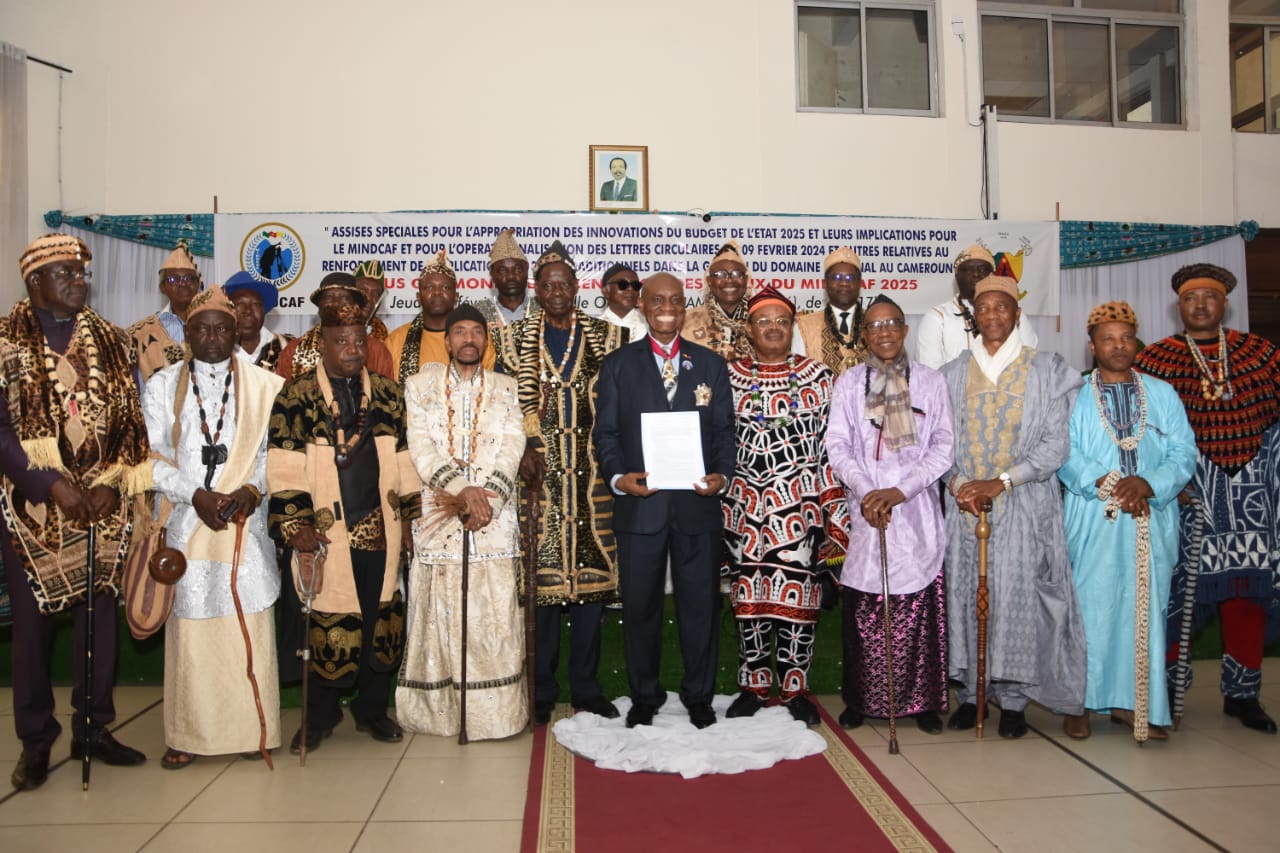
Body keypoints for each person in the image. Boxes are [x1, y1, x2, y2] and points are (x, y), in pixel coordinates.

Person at [2, 235, 151, 790]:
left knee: (100, 621)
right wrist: (47, 482)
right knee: (33, 628)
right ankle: (36, 741)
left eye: (82, 272)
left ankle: (95, 728)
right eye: (64, 272)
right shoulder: (4, 340)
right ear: (34, 281)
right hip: (34, 508)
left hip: (101, 502)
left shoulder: (113, 340)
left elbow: (132, 421)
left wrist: (112, 481)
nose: (78, 280)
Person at [267, 301, 421, 753]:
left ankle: (372, 709)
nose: (352, 349)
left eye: (359, 340)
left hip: (381, 526)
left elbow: (406, 462)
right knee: (322, 620)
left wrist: (409, 523)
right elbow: (284, 467)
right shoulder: (296, 397)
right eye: (342, 341)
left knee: (380, 619)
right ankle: (319, 716)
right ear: (323, 342)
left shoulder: (389, 395)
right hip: (326, 531)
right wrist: (295, 525)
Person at [142, 285, 284, 767]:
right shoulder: (163, 385)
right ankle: (187, 735)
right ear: (188, 334)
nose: (212, 337)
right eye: (201, 328)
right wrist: (195, 495)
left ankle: (249, 729)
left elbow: (273, 457)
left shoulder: (266, 386)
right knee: (192, 633)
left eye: (222, 328)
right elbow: (153, 460)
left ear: (236, 330)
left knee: (247, 620)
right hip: (187, 523)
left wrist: (250, 491)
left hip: (244, 522)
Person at [1135, 264, 1280, 734]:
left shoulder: (1260, 354)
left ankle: (1242, 695)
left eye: (1209, 296)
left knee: (1246, 595)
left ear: (1225, 303)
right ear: (1178, 305)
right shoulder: (1154, 360)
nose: (1200, 304)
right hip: (1184, 495)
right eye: (1191, 297)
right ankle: (1170, 695)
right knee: (1177, 595)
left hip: (1251, 497)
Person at [939, 274, 1086, 738]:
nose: (993, 316)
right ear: (974, 316)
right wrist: (960, 482)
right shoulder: (950, 374)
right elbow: (938, 445)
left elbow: (1054, 446)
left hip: (1022, 503)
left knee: (1016, 599)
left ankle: (1015, 701)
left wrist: (1001, 481)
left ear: (1017, 314)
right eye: (984, 309)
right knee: (966, 595)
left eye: (1002, 307)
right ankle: (970, 693)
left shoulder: (1050, 370)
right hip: (966, 506)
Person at [594, 272, 736, 730]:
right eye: (657, 300)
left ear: (684, 304)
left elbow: (724, 432)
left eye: (675, 299)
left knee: (700, 608)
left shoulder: (710, 365)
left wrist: (723, 475)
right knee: (640, 609)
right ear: (643, 306)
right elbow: (607, 434)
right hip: (641, 507)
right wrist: (619, 478)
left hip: (697, 506)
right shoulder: (618, 365)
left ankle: (699, 697)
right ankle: (645, 696)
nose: (667, 307)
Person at [494, 241, 626, 725]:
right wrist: (520, 450)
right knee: (542, 593)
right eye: (546, 284)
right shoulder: (510, 341)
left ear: (576, 288)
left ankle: (588, 688)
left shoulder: (607, 337)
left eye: (563, 284)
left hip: (592, 485)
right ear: (537, 289)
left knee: (591, 594)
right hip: (540, 488)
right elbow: (502, 410)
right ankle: (542, 687)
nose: (555, 292)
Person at [1059, 301, 1195, 741]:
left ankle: (1132, 704)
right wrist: (1111, 483)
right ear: (1092, 345)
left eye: (1125, 338)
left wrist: (1150, 484)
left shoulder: (1162, 393)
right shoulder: (1074, 393)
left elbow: (1183, 453)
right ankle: (1077, 703)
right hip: (1094, 514)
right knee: (1088, 608)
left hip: (1150, 515)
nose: (1118, 346)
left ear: (1136, 342)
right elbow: (1064, 454)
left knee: (1143, 610)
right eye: (1108, 339)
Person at [397, 304, 527, 739]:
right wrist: (461, 491)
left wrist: (485, 494)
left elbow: (514, 442)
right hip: (439, 512)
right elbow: (421, 445)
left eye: (476, 332)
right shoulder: (419, 386)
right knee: (441, 610)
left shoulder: (507, 388)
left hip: (494, 511)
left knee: (494, 610)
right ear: (448, 340)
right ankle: (441, 714)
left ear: (485, 340)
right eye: (460, 332)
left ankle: (496, 717)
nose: (469, 339)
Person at [827, 295, 953, 734]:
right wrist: (868, 491)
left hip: (915, 508)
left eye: (892, 324)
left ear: (904, 331)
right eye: (875, 326)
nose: (884, 332)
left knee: (919, 608)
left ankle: (922, 703)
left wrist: (899, 491)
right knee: (865, 608)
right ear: (864, 334)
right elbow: (838, 446)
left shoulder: (931, 382)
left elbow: (943, 447)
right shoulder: (848, 384)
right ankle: (861, 700)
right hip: (866, 509)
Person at [721, 287, 846, 726]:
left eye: (781, 320)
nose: (773, 327)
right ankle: (753, 688)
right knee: (749, 605)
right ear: (750, 329)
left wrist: (835, 515)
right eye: (763, 321)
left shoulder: (819, 377)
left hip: (800, 512)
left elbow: (831, 450)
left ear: (792, 328)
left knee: (800, 607)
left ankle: (796, 690)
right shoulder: (728, 377)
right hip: (742, 513)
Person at [914, 244, 1039, 370]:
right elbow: (930, 374)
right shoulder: (937, 317)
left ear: (992, 275)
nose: (975, 274)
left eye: (983, 269)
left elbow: (1030, 361)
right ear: (957, 277)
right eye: (967, 270)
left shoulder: (1011, 314)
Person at [386, 250, 496, 384]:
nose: (437, 292)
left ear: (456, 296)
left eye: (445, 287)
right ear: (418, 297)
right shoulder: (396, 340)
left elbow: (489, 389)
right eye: (429, 287)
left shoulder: (476, 338)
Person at [684, 240, 802, 362]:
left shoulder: (760, 320)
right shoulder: (687, 322)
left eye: (737, 274)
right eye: (721, 274)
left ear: (746, 280)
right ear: (709, 281)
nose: (729, 280)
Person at [275, 272, 395, 380]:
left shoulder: (376, 350)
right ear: (319, 305)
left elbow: (387, 398)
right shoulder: (294, 350)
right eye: (328, 297)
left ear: (356, 306)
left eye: (344, 298)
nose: (336, 303)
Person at [129, 243, 204, 381]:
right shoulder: (139, 334)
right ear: (162, 287)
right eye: (173, 279)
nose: (182, 283)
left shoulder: (213, 325)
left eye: (189, 278)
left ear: (198, 284)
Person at [796, 247, 866, 376]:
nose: (844, 283)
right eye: (837, 277)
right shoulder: (805, 326)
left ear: (860, 284)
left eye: (851, 277)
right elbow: (799, 375)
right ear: (825, 283)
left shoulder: (874, 323)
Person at [224, 270, 294, 372]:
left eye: (256, 304)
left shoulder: (288, 346)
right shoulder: (216, 351)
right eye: (239, 304)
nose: (248, 310)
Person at [475, 229, 536, 328]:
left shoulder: (543, 310)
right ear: (492, 275)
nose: (511, 276)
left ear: (526, 271)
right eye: (503, 271)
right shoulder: (478, 313)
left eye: (517, 269)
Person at [596, 262, 648, 342]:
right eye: (623, 284)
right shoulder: (591, 328)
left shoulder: (650, 325)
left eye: (635, 285)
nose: (630, 289)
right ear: (605, 291)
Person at [353, 259, 390, 341]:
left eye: (376, 294)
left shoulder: (383, 335)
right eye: (363, 291)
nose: (369, 299)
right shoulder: (331, 330)